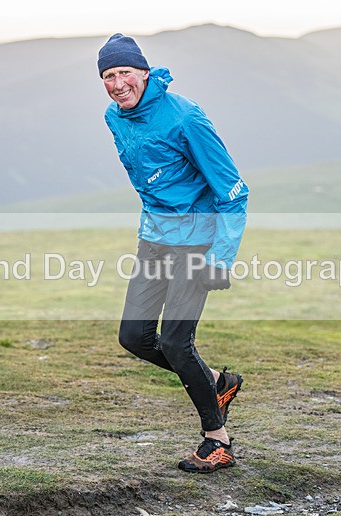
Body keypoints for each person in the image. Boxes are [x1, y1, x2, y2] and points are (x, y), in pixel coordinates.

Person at [98, 33, 250, 473]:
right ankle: (218, 382)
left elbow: (234, 192)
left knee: (176, 343)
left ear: (144, 73)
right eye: (108, 76)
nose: (118, 84)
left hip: (198, 242)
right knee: (134, 337)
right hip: (154, 240)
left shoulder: (185, 117)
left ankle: (217, 441)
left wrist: (220, 257)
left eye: (125, 72)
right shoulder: (114, 117)